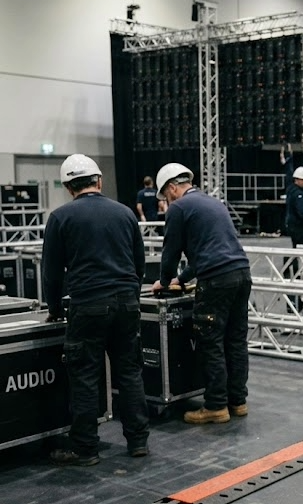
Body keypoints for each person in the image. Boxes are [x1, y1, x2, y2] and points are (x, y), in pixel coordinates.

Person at [42, 154, 149, 465]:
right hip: (127, 303)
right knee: (130, 372)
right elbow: (138, 263)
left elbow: (52, 272)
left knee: (86, 376)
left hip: (88, 305)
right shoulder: (125, 213)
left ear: (67, 186)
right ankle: (138, 441)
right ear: (99, 181)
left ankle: (86, 448)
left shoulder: (61, 217)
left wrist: (55, 309)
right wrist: (128, 293)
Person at [151, 163, 253, 424]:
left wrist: (163, 281)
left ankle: (216, 406)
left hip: (217, 280)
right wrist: (182, 279)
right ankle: (237, 401)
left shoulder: (179, 208)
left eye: (166, 195)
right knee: (236, 340)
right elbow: (204, 255)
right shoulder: (214, 203)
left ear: (173, 187)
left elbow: (170, 251)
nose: (167, 201)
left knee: (211, 340)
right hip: (241, 273)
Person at [285, 166, 303, 247]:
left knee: (296, 247)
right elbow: (301, 211)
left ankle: (290, 260)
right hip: (299, 225)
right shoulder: (299, 194)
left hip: (291, 224)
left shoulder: (290, 190)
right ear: (297, 179)